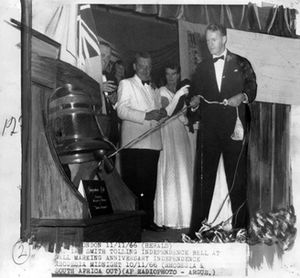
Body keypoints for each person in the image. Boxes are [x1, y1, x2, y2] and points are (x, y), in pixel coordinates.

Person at [188, 23, 257, 237]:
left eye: (214, 40)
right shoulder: (201, 68)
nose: (210, 45)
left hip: (234, 131)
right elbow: (193, 94)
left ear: (225, 39)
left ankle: (240, 229)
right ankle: (196, 230)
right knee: (203, 178)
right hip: (209, 131)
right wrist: (194, 102)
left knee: (237, 178)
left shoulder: (241, 63)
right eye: (208, 40)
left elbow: (252, 87)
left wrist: (242, 97)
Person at [117, 52, 167, 232]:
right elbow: (121, 111)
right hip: (134, 144)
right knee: (133, 186)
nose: (146, 70)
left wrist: (161, 113)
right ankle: (133, 224)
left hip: (153, 143)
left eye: (149, 66)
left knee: (149, 185)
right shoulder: (126, 84)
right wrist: (146, 115)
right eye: (142, 66)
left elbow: (156, 113)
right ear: (135, 67)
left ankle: (148, 221)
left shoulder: (154, 88)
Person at [154, 63, 193, 229]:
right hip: (168, 134)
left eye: (174, 74)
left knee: (183, 170)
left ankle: (186, 217)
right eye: (168, 74)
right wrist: (178, 95)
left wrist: (187, 119)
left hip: (181, 135)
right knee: (170, 171)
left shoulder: (184, 93)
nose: (171, 77)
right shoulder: (162, 91)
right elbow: (166, 111)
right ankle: (170, 218)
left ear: (178, 74)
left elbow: (188, 115)